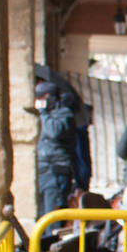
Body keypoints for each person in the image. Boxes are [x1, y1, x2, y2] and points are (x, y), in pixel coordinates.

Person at [34, 81, 80, 217]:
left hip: (56, 173)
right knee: (40, 216)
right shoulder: (46, 116)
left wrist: (43, 113)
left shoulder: (65, 115)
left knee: (52, 217)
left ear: (48, 97)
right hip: (42, 172)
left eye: (41, 99)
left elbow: (55, 131)